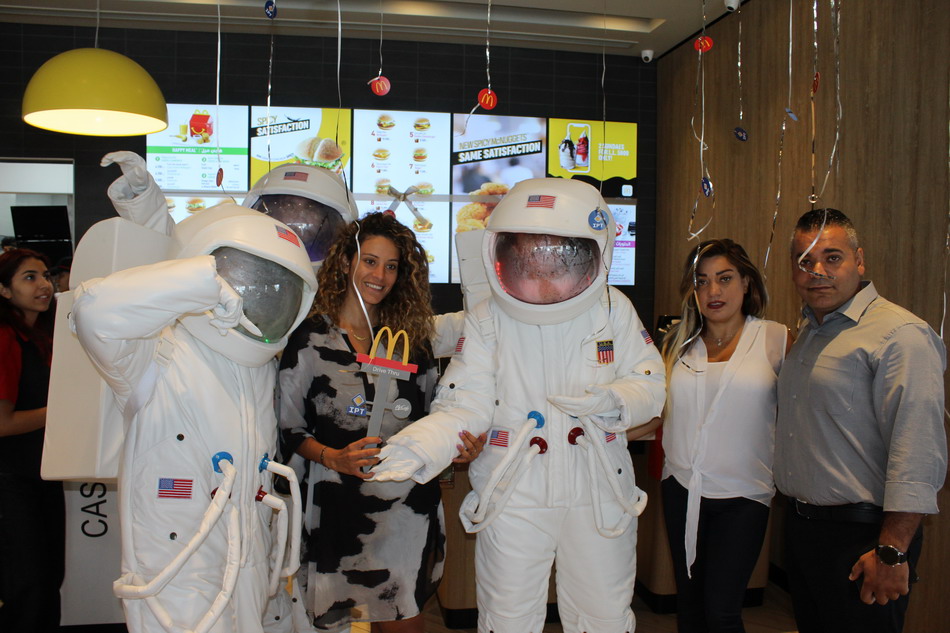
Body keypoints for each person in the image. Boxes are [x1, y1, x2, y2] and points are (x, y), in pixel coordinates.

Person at [371, 178, 666, 633]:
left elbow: (650, 381)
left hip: (598, 488)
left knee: (603, 617)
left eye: (559, 262)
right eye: (529, 262)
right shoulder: (489, 316)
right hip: (513, 488)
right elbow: (465, 401)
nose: (543, 277)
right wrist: (423, 443)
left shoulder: (611, 308)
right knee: (507, 619)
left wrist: (614, 400)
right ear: (504, 255)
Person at [73, 203, 318, 633]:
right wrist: (199, 284)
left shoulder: (260, 366)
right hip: (178, 574)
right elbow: (94, 312)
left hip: (251, 561)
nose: (259, 295)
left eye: (273, 286)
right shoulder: (154, 354)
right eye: (242, 278)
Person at [278, 211, 481, 633]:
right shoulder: (311, 339)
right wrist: (333, 457)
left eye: (391, 266)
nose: (380, 276)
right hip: (336, 513)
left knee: (402, 619)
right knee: (332, 620)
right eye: (370, 261)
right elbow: (290, 429)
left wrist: (458, 448)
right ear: (346, 261)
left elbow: (434, 417)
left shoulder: (412, 342)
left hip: (405, 512)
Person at [774, 208, 947, 633]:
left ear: (860, 260)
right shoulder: (809, 331)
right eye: (805, 261)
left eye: (832, 257)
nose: (817, 271)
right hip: (804, 531)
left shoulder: (900, 335)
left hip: (866, 538)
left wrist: (892, 550)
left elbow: (918, 452)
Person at [655, 239, 789, 633]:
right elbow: (655, 412)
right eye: (702, 281)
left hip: (743, 496)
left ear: (746, 282)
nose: (713, 291)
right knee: (690, 609)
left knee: (722, 612)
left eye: (725, 278)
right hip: (681, 489)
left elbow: (802, 415)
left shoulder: (776, 338)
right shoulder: (677, 343)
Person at [0, 248, 63, 633]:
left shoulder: (42, 336)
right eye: (29, 277)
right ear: (4, 290)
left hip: (42, 474)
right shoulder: (5, 338)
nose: (44, 285)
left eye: (45, 275)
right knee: (28, 585)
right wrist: (62, 411)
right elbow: (3, 423)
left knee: (48, 577)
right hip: (11, 480)